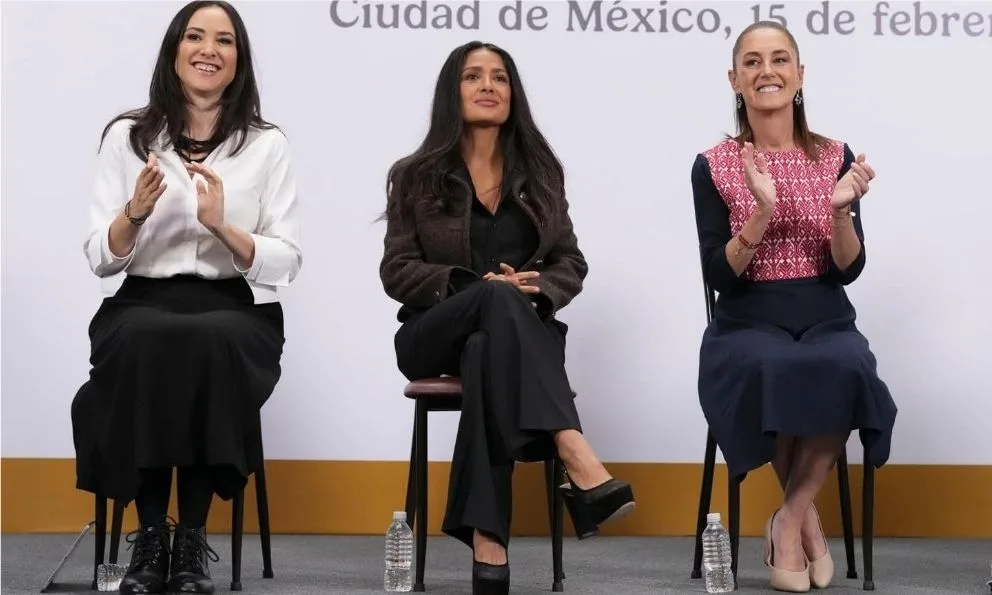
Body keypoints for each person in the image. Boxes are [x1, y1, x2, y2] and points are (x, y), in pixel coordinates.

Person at [379, 41, 635, 595]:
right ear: (454, 91)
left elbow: (571, 261)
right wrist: (472, 287)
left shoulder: (541, 175)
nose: (488, 85)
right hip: (433, 333)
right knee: (492, 303)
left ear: (513, 94)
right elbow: (396, 271)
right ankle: (574, 449)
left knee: (486, 352)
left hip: (513, 341)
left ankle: (488, 544)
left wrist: (537, 288)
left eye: (500, 77)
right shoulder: (417, 175)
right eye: (474, 76)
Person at [70, 2, 301, 593]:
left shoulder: (266, 144)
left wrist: (225, 228)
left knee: (209, 341)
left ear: (238, 60)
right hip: (140, 300)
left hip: (233, 306)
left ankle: (191, 540)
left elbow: (287, 259)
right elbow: (101, 254)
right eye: (195, 37)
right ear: (174, 51)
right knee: (150, 339)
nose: (208, 50)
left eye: (224, 41)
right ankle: (152, 538)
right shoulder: (128, 137)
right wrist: (135, 212)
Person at [690, 21, 897, 593]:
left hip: (825, 311)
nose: (767, 72)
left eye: (779, 60)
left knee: (845, 366)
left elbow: (848, 268)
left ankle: (788, 517)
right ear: (735, 80)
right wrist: (759, 212)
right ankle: (806, 525)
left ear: (800, 75)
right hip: (747, 317)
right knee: (776, 367)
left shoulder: (836, 155)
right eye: (752, 63)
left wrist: (838, 212)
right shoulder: (714, 163)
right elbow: (718, 276)